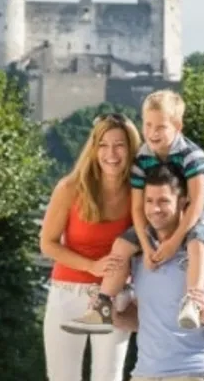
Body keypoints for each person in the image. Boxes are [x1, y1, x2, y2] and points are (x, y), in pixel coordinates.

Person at [64, 89, 204, 334]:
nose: (152, 133)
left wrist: (173, 242)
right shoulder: (143, 159)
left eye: (160, 127)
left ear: (178, 126)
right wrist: (146, 245)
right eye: (148, 125)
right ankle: (104, 305)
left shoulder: (192, 156)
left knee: (197, 244)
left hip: (202, 209)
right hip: (163, 211)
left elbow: (196, 204)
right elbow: (138, 208)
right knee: (121, 244)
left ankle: (192, 300)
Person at [112, 164, 204, 381]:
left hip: (193, 372)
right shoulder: (140, 258)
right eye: (149, 201)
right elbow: (148, 320)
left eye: (164, 201)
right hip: (143, 374)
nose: (155, 209)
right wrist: (116, 316)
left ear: (184, 201)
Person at [39, 113, 142, 381]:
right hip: (67, 293)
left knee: (108, 377)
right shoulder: (70, 188)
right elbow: (47, 244)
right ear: (94, 148)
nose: (111, 153)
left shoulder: (138, 191)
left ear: (131, 148)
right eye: (104, 145)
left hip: (114, 296)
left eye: (120, 145)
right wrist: (91, 266)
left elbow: (173, 202)